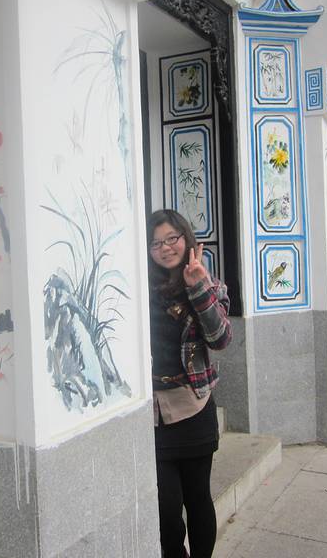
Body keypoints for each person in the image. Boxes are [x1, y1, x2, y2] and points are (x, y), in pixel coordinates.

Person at [147, 209, 232, 558]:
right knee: (166, 511)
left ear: (186, 239)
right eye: (155, 243)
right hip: (153, 415)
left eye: (172, 239)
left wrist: (197, 286)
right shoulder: (138, 289)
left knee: (197, 499)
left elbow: (220, 338)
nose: (165, 248)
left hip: (192, 406)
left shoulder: (209, 285)